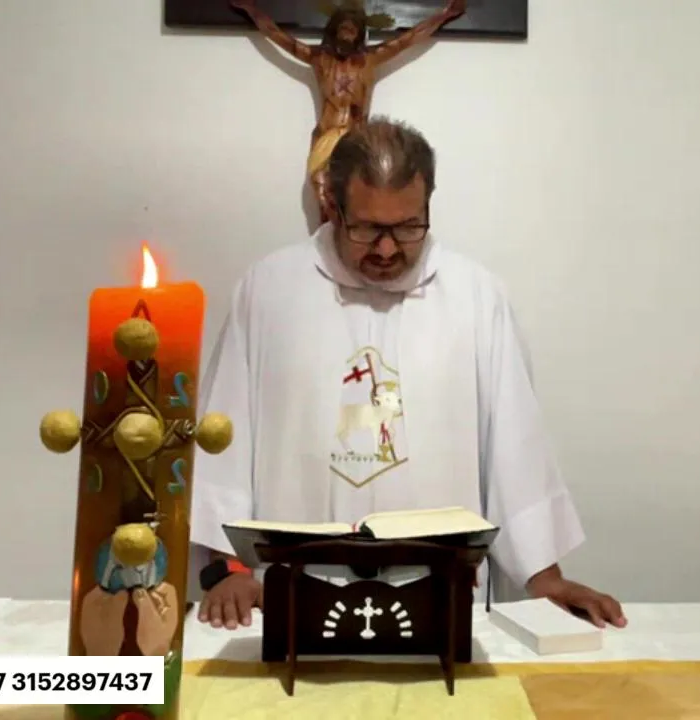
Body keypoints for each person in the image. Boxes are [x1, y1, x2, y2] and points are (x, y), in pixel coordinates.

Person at [191, 118, 626, 632]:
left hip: (438, 600)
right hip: (287, 599)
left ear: (428, 207)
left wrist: (546, 578)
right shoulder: (270, 290)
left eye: (407, 227)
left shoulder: (475, 296)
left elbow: (515, 447)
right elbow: (224, 439)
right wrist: (231, 570)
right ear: (333, 206)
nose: (387, 249)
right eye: (367, 228)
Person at [228, 0, 465, 223]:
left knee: (357, 196)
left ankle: (350, 240)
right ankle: (327, 241)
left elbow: (409, 38)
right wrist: (251, 10)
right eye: (342, 29)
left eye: (352, 30)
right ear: (333, 30)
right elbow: (278, 36)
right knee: (322, 194)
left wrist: (444, 16)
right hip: (326, 135)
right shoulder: (320, 58)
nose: (347, 34)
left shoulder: (370, 59)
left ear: (360, 34)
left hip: (356, 137)